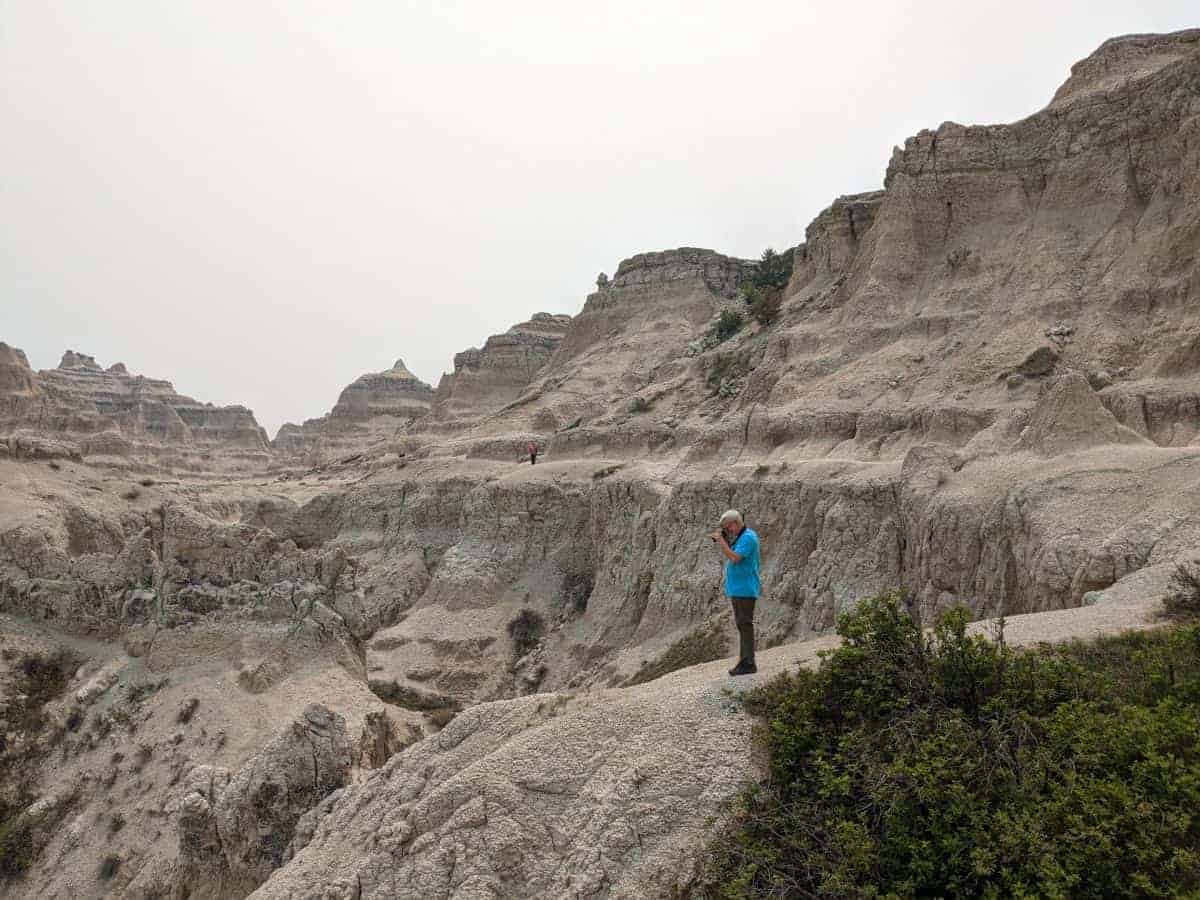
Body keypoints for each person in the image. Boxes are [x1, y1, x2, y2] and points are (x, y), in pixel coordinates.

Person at [709, 509, 760, 675]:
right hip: (739, 588)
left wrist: (721, 542)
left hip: (745, 588)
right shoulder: (742, 537)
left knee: (745, 624)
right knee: (742, 624)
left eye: (728, 527)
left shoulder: (748, 537)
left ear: (735, 523)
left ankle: (748, 663)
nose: (728, 531)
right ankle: (744, 660)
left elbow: (735, 558)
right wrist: (725, 540)